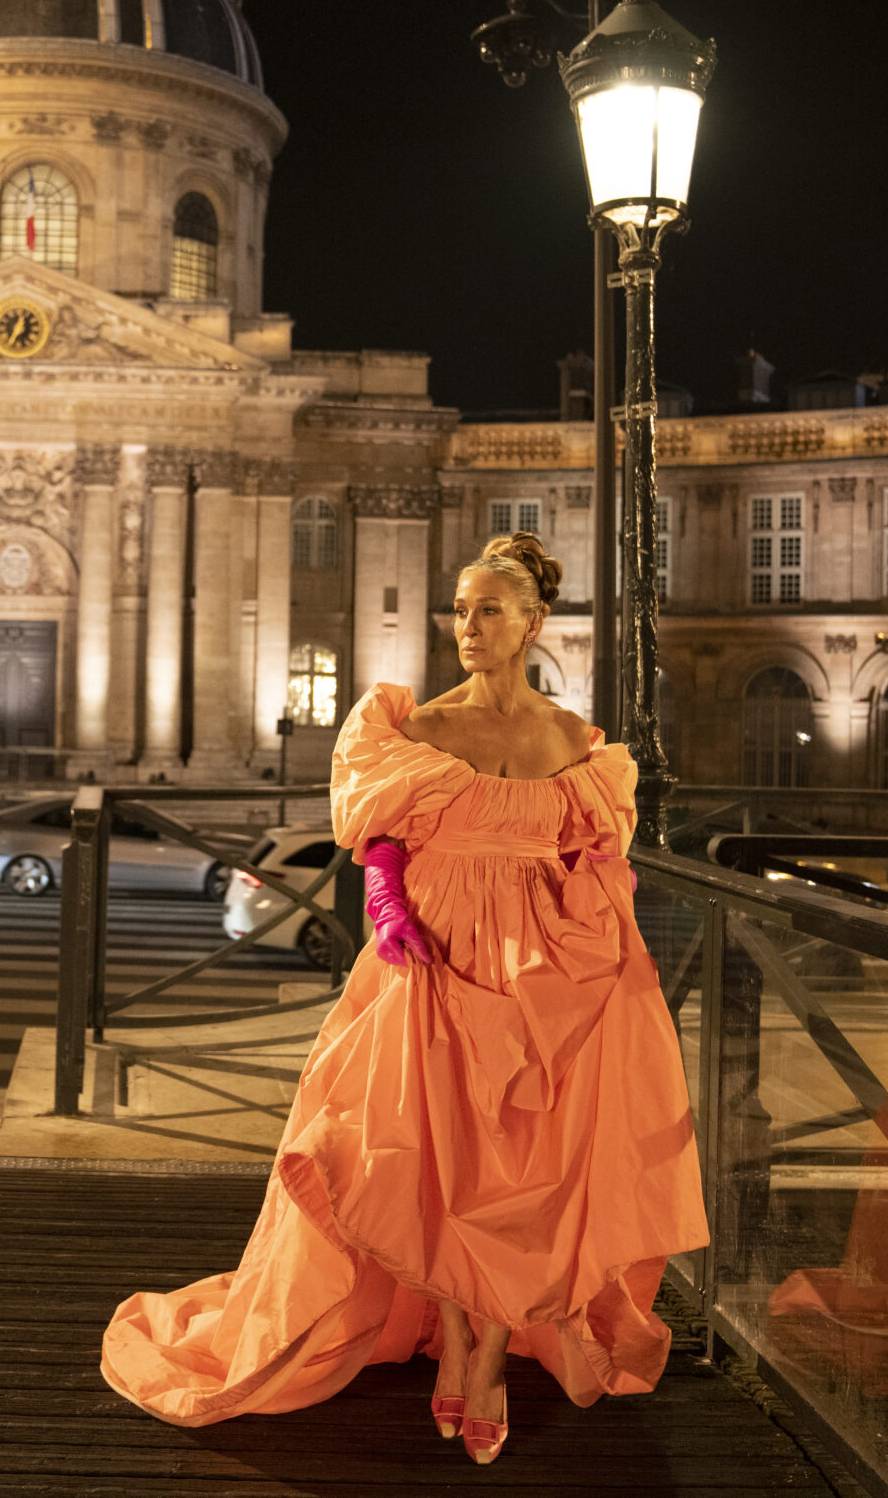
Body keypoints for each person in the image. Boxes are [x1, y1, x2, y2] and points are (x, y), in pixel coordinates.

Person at [100, 531, 707, 1465]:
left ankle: (490, 1353)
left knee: (527, 1174)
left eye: (489, 610)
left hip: (548, 969)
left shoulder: (576, 741)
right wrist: (385, 902)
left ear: (534, 622)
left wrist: (608, 918)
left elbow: (592, 849)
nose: (468, 626)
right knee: (438, 1164)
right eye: (460, 610)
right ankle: (459, 1344)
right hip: (436, 954)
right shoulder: (420, 726)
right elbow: (381, 832)